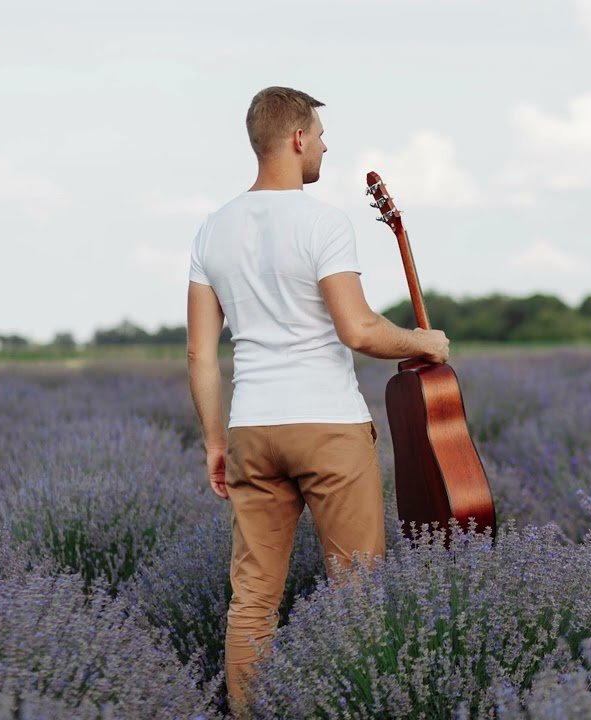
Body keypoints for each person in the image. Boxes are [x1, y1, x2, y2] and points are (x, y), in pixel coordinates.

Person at [184, 86, 450, 715]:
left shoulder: (212, 230)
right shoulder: (323, 222)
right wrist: (425, 342)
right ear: (298, 138)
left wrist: (216, 442)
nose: (326, 147)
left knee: (252, 599)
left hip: (253, 429)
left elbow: (200, 354)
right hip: (329, 426)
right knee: (358, 590)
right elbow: (357, 329)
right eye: (321, 137)